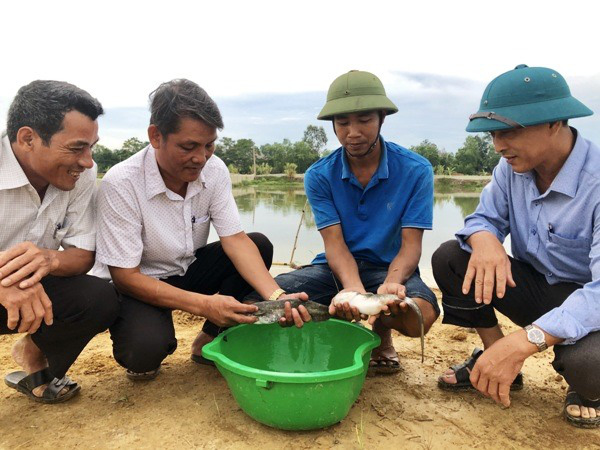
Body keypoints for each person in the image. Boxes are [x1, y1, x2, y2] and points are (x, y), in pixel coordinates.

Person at [93, 79, 308, 380]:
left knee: (257, 245)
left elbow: (234, 239)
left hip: (187, 269)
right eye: (188, 146)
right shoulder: (121, 182)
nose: (201, 157)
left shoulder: (215, 170)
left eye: (209, 145)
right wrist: (205, 305)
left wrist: (277, 294)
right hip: (140, 283)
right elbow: (125, 277)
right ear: (156, 136)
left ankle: (208, 339)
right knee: (144, 353)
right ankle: (149, 328)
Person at [432, 64, 600, 428]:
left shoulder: (597, 182)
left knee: (591, 367)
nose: (498, 146)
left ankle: (584, 390)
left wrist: (527, 340)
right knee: (451, 257)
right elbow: (481, 218)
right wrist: (485, 238)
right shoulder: (511, 169)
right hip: (536, 287)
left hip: (590, 304)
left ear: (555, 122)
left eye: (508, 132)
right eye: (492, 134)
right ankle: (494, 357)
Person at [245, 70, 440, 372]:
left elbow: (411, 246)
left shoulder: (416, 170)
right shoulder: (319, 175)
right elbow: (334, 244)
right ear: (333, 125)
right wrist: (353, 291)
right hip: (333, 267)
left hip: (388, 267)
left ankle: (381, 336)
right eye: (343, 122)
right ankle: (334, 330)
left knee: (421, 315)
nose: (353, 132)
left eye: (364, 120)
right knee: (263, 299)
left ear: (382, 119)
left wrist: (391, 283)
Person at [0, 80, 120, 403]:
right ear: (28, 138)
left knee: (100, 298)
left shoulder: (77, 177)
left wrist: (48, 260)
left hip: (33, 295)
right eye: (77, 147)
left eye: (92, 147)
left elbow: (83, 254)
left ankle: (34, 356)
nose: (88, 161)